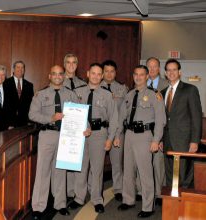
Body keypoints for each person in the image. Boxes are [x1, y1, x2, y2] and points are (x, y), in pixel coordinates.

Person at [29, 65, 89, 220]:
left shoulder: (70, 94)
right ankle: (38, 206)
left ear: (63, 77)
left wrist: (87, 128)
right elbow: (32, 114)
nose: (57, 76)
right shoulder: (40, 94)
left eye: (60, 74)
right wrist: (51, 118)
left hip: (65, 136)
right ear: (49, 76)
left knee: (61, 171)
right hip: (47, 134)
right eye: (54, 74)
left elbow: (81, 111)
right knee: (43, 171)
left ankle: (60, 204)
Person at [116, 65, 166, 218]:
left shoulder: (154, 95)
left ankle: (148, 206)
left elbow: (160, 120)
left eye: (141, 74)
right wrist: (118, 135)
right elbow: (121, 118)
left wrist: (156, 140)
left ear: (147, 77)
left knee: (145, 172)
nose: (138, 77)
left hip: (145, 136)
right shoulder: (129, 95)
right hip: (129, 135)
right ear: (133, 76)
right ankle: (128, 199)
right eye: (136, 74)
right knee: (128, 170)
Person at [68, 63, 118, 213]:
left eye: (99, 74)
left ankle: (97, 199)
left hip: (99, 134)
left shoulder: (107, 95)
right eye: (93, 73)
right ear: (88, 73)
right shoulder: (76, 92)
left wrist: (110, 138)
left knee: (97, 169)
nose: (96, 76)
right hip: (80, 135)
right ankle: (79, 197)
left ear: (102, 76)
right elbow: (71, 113)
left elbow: (114, 118)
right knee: (80, 168)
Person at [161, 58, 202, 188]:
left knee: (184, 177)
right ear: (165, 73)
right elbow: (163, 119)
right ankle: (171, 205)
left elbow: (196, 117)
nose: (171, 72)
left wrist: (195, 141)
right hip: (167, 141)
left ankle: (183, 205)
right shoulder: (162, 93)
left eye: (174, 70)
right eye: (168, 70)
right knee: (169, 176)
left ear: (180, 72)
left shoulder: (190, 89)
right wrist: (161, 139)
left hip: (184, 141)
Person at [100, 60, 128, 202]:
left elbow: (124, 113)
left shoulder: (122, 89)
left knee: (117, 163)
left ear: (115, 73)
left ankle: (118, 189)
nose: (109, 74)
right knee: (97, 164)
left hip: (117, 132)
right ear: (102, 72)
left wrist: (118, 133)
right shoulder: (95, 87)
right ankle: (96, 190)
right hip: (100, 130)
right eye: (106, 71)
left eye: (112, 71)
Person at [62, 53, 87, 200]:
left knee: (79, 163)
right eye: (68, 63)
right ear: (64, 64)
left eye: (74, 63)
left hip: (79, 128)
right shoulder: (58, 81)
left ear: (77, 65)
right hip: (64, 128)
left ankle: (78, 194)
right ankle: (67, 192)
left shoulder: (83, 83)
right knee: (66, 162)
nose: (71, 65)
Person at [146, 57, 169, 205]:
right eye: (149, 67)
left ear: (159, 68)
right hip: (143, 131)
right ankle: (142, 191)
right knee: (143, 163)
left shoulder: (166, 85)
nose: (152, 69)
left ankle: (159, 194)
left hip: (159, 130)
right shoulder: (140, 83)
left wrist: (161, 138)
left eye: (155, 67)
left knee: (158, 164)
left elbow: (167, 112)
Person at [4, 61, 34, 128]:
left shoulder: (29, 85)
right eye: (18, 67)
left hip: (24, 123)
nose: (20, 69)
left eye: (22, 68)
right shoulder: (5, 83)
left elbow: (31, 104)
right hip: (8, 123)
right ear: (13, 69)